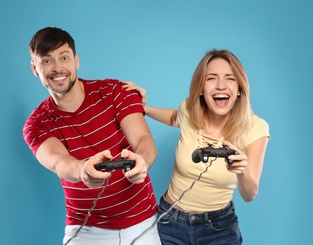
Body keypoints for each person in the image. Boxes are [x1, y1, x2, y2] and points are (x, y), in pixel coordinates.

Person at [22, 27, 161, 245]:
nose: (58, 68)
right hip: (86, 229)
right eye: (47, 61)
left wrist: (142, 160)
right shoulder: (36, 125)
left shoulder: (115, 91)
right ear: (34, 68)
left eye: (64, 57)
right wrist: (82, 170)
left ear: (76, 60)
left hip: (143, 223)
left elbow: (144, 140)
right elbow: (59, 162)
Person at [123, 49, 270, 245]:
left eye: (230, 78)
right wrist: (139, 107)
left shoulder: (256, 127)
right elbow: (174, 117)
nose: (220, 86)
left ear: (240, 88)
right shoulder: (189, 111)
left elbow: (250, 194)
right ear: (201, 88)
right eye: (211, 78)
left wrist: (242, 171)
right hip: (170, 220)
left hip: (219, 227)